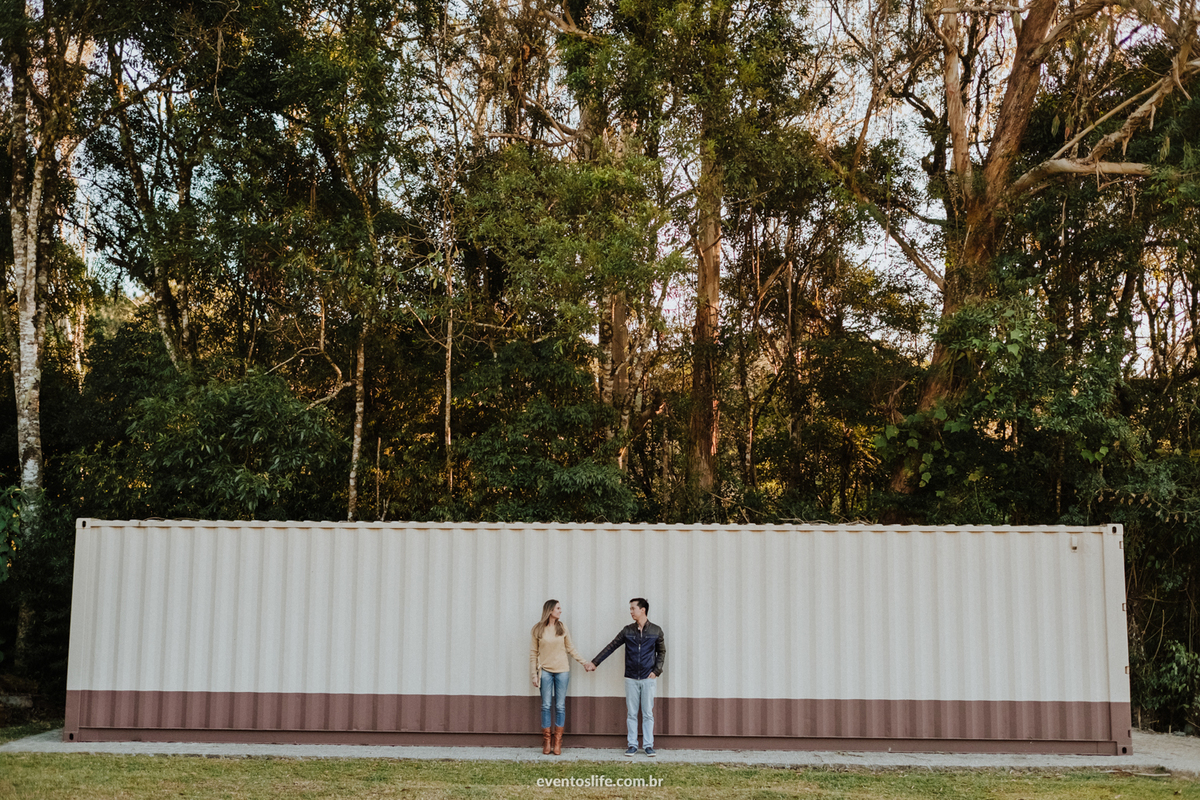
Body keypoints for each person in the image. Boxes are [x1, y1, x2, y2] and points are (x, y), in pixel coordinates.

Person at [584, 597, 665, 757]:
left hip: (648, 678)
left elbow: (661, 652)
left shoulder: (656, 630)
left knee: (648, 713)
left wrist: (657, 671)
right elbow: (612, 646)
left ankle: (648, 745)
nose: (631, 612)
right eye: (630, 609)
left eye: (632, 608)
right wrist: (595, 663)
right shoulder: (627, 630)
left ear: (642, 610)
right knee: (632, 713)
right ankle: (632, 745)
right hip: (631, 678)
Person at [530, 599, 587, 755]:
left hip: (562, 670)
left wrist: (584, 663)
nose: (560, 611)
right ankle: (547, 741)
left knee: (560, 706)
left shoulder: (562, 627)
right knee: (546, 705)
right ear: (550, 611)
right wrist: (534, 674)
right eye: (558, 608)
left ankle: (558, 742)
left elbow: (570, 648)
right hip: (545, 672)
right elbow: (533, 653)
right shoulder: (538, 629)